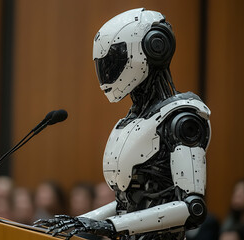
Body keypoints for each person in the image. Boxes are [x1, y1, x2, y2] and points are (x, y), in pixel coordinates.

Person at [35, 8, 211, 240]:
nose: (107, 72)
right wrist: (84, 220)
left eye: (113, 61)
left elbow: (192, 208)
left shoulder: (182, 119)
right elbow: (127, 205)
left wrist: (110, 225)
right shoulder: (131, 122)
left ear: (153, 47)